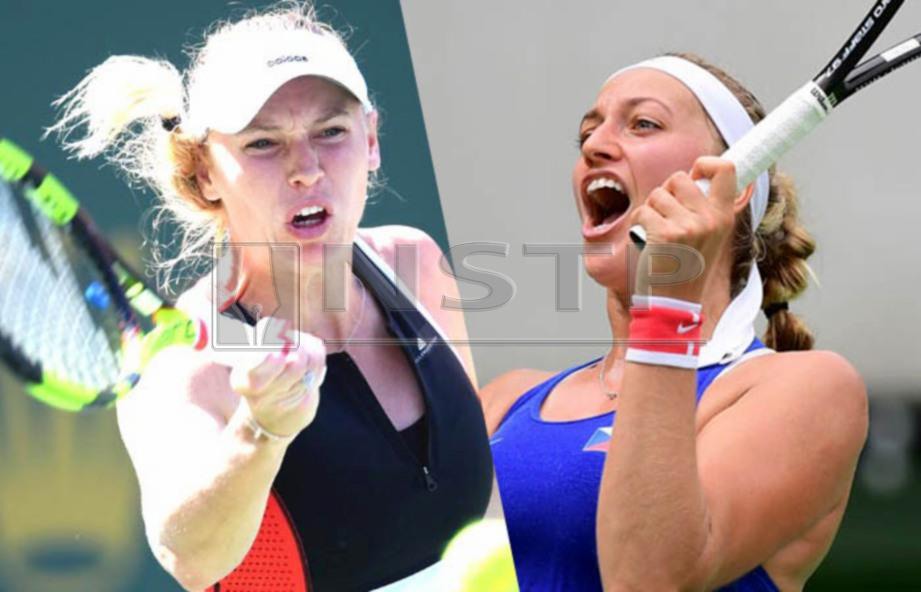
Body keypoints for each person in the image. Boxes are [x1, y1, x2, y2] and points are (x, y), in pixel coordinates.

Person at [49, 3, 493, 591]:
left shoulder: (417, 264)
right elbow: (193, 560)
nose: (306, 168)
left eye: (331, 132)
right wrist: (261, 430)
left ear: (372, 141)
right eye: (263, 143)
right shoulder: (179, 365)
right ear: (205, 172)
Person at [485, 53, 868, 591]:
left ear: (731, 190)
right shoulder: (505, 401)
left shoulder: (809, 390)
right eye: (587, 134)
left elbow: (649, 580)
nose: (595, 146)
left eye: (643, 123)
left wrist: (667, 301)